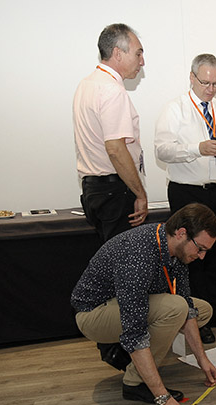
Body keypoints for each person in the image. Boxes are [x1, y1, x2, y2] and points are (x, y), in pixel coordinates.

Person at [71, 203, 216, 405]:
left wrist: (202, 360)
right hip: (93, 314)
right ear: (181, 233)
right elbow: (135, 330)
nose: (201, 257)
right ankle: (135, 382)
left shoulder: (174, 249)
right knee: (174, 310)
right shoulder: (138, 254)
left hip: (123, 305)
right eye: (200, 248)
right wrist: (162, 398)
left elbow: (188, 306)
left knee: (201, 310)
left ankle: (131, 356)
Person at [155, 54, 216, 343]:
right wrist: (197, 148)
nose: (211, 89)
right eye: (206, 82)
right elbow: (162, 150)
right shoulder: (175, 109)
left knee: (215, 251)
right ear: (192, 78)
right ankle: (196, 319)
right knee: (190, 256)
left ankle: (215, 311)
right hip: (187, 191)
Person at [73, 23, 148, 242]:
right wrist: (141, 194)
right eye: (138, 53)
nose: (142, 61)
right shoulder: (112, 90)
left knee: (109, 263)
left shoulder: (86, 85)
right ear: (117, 53)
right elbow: (115, 149)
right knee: (124, 267)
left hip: (94, 191)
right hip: (115, 192)